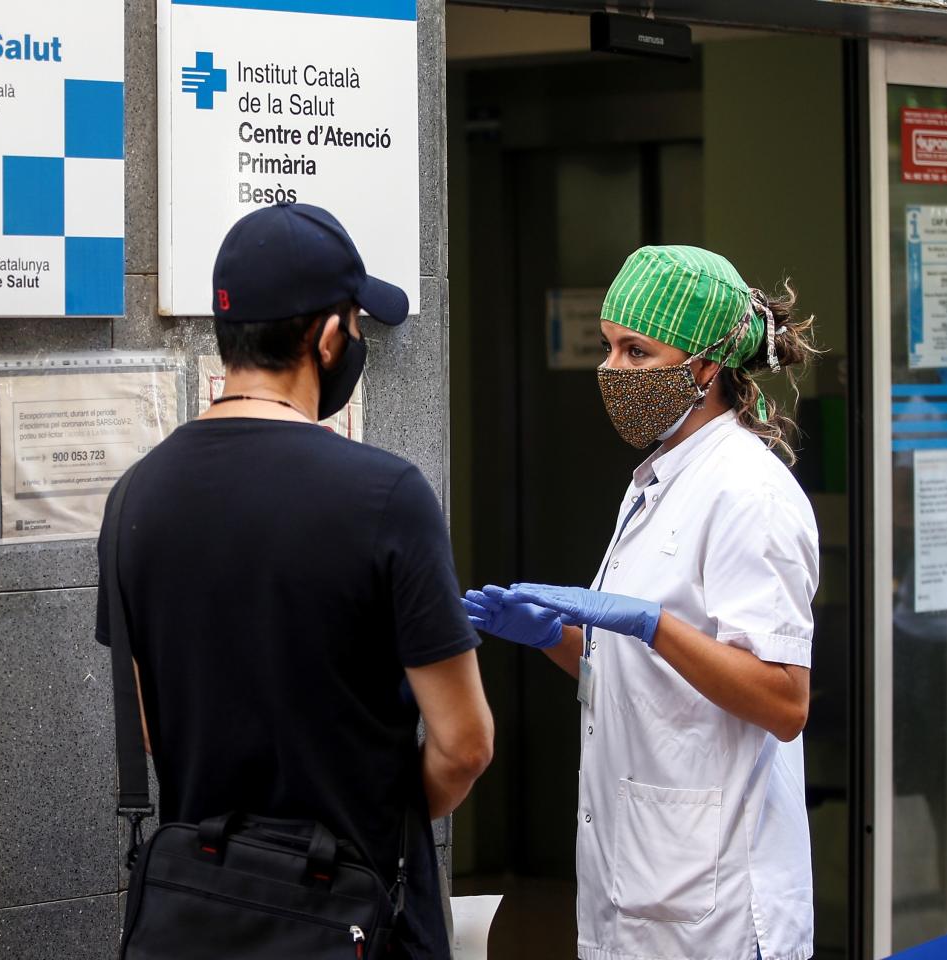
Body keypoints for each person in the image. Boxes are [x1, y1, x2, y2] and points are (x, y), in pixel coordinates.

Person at [98, 202, 494, 959]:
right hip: (355, 918)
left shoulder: (135, 498)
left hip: (202, 918)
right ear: (327, 335)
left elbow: (151, 726)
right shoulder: (386, 497)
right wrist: (384, 818)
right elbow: (465, 743)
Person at [466, 245, 821, 960]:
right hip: (638, 890)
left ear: (704, 367)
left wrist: (656, 627)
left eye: (636, 350)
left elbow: (784, 702)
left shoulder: (748, 492)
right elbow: (643, 682)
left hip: (716, 910)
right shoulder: (656, 480)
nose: (612, 370)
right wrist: (555, 639)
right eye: (608, 347)